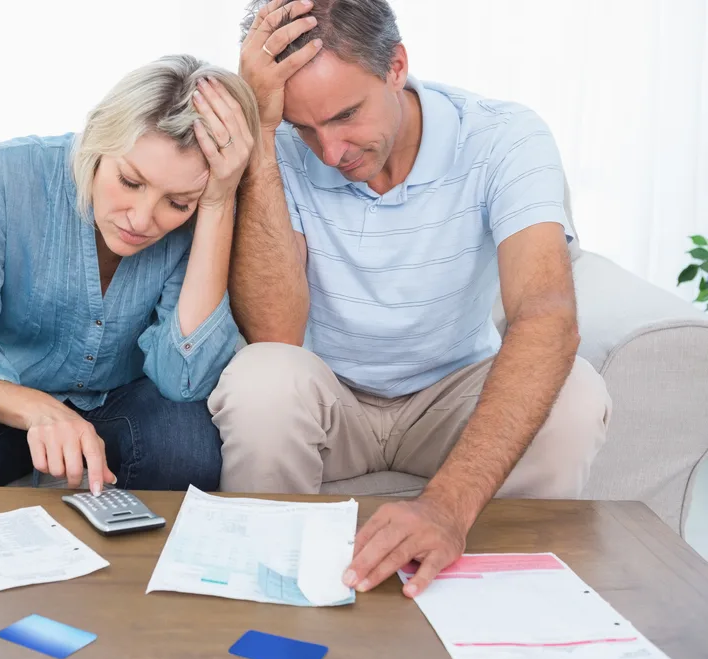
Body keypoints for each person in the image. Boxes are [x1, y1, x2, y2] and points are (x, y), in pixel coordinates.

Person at [209, 0, 612, 597]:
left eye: (347, 115)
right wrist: (264, 136)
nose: (331, 151)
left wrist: (446, 506)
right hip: (331, 399)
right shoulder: (280, 147)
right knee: (261, 374)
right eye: (305, 128)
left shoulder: (503, 136)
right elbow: (276, 333)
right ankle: (264, 594)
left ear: (396, 65)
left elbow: (547, 314)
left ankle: (508, 598)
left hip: (451, 402)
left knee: (576, 394)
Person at [0, 55, 260, 495]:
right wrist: (39, 410)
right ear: (97, 140)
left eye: (176, 203)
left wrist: (216, 204)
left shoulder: (204, 211)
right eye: (130, 182)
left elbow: (184, 379)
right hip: (6, 396)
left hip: (123, 400)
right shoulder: (7, 174)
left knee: (187, 450)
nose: (141, 219)